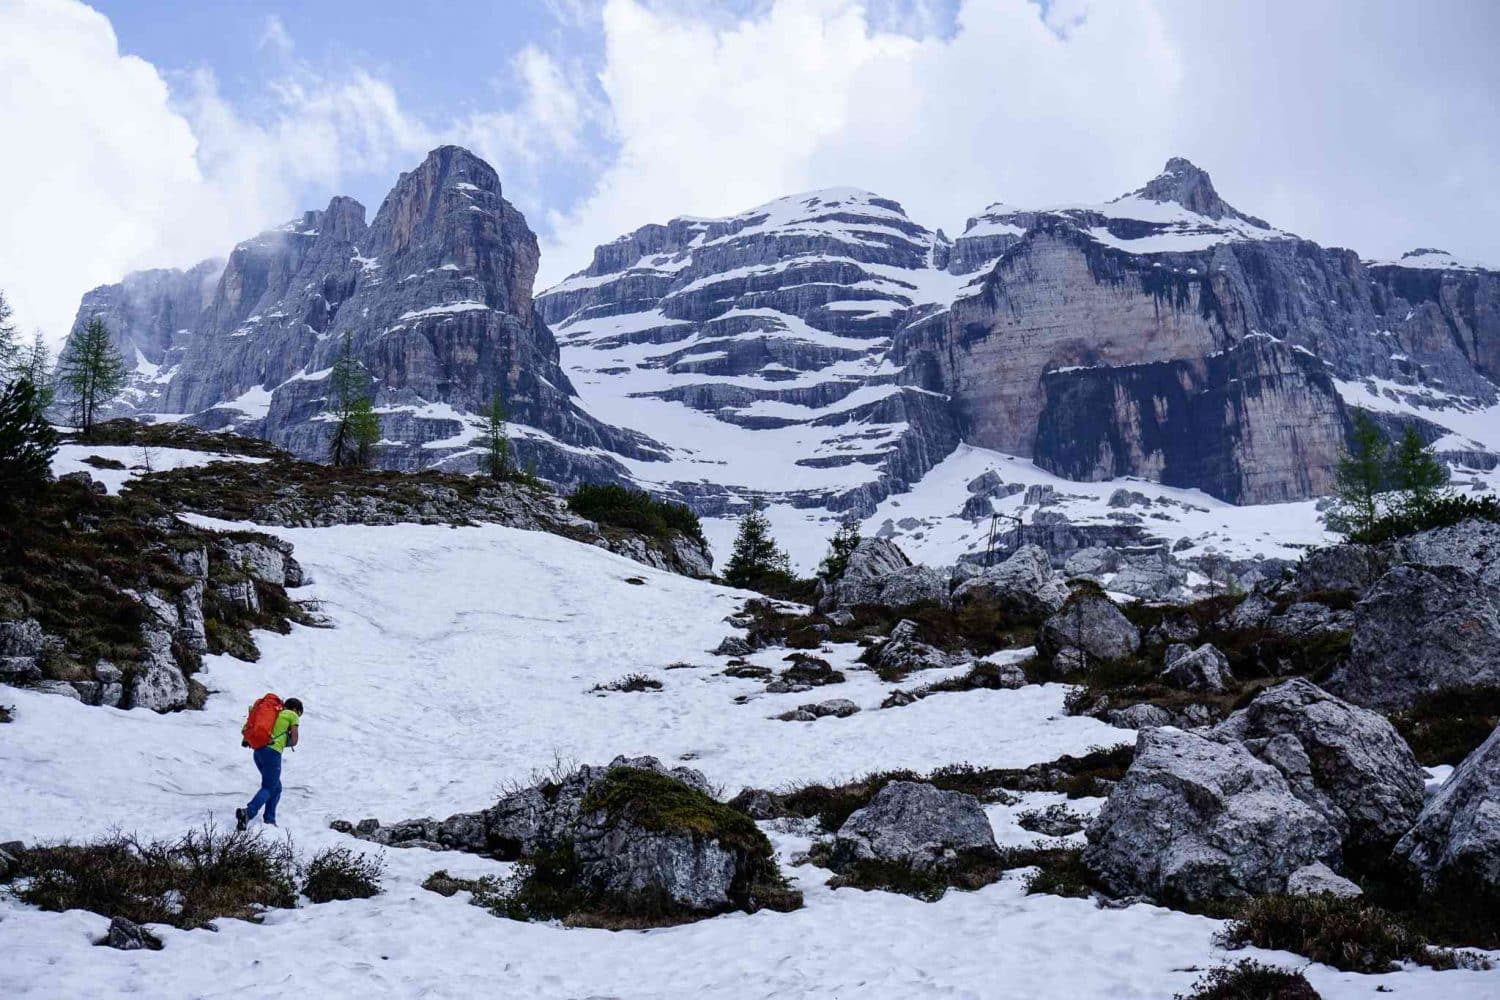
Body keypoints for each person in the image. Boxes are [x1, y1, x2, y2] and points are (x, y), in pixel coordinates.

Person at [236, 697, 303, 830]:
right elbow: (294, 740)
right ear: (296, 709)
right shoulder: (292, 715)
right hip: (272, 753)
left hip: (258, 752)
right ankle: (248, 813)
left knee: (276, 786)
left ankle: (269, 820)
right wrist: (286, 740)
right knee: (269, 787)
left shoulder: (275, 713)